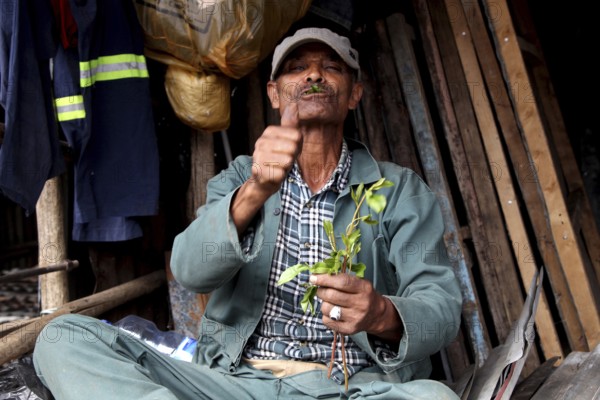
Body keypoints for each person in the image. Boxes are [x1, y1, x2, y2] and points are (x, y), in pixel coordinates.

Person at [33, 27, 462, 399]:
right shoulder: (238, 177)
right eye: (297, 68)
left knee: (433, 396)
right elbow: (189, 270)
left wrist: (381, 313)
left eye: (331, 67)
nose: (314, 74)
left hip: (353, 387)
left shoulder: (399, 190)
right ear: (275, 94)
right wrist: (255, 190)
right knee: (61, 337)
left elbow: (440, 306)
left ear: (354, 94)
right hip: (236, 384)